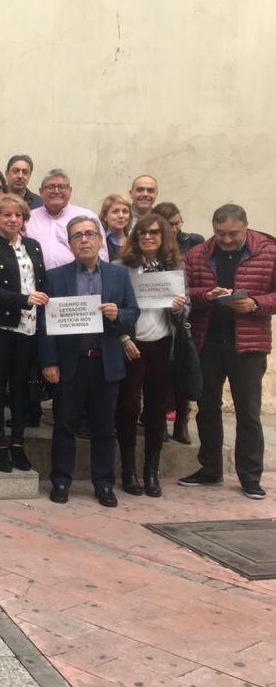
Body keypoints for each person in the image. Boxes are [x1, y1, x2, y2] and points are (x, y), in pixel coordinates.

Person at [39, 216, 139, 507]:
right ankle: (60, 480)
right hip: (71, 363)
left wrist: (117, 315)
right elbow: (45, 323)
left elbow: (134, 312)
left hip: (105, 362)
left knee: (105, 427)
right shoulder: (56, 276)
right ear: (69, 244)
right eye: (77, 236)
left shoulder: (118, 276)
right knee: (64, 424)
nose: (84, 240)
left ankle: (104, 483)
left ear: (99, 239)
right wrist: (48, 361)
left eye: (89, 234)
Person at [179, 204, 276, 499]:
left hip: (247, 344)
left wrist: (256, 304)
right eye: (220, 233)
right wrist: (206, 296)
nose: (227, 239)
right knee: (206, 409)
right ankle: (210, 469)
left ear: (246, 227)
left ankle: (249, 476)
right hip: (207, 342)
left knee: (248, 412)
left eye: (233, 234)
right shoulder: (198, 254)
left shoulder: (269, 252)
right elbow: (185, 292)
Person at [113, 214, 186, 498]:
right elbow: (114, 308)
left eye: (154, 233)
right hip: (131, 343)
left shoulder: (174, 267)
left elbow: (186, 308)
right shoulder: (121, 268)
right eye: (142, 233)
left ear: (163, 236)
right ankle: (129, 470)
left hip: (161, 343)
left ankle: (151, 471)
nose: (147, 237)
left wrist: (180, 307)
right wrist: (123, 337)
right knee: (128, 407)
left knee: (156, 409)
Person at [0, 194, 47, 472]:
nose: (13, 219)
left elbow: (42, 282)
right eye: (6, 215)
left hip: (28, 325)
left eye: (17, 215)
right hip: (0, 325)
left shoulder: (34, 246)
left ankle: (18, 443)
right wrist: (24, 299)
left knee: (21, 386)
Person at [153, 202, 206, 444]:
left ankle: (182, 421)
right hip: (154, 321)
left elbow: (187, 286)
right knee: (161, 375)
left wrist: (181, 307)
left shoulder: (192, 243)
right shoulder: (149, 251)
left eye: (177, 223)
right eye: (169, 224)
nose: (175, 229)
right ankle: (160, 420)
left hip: (180, 321)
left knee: (182, 370)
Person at [25, 169, 108, 269]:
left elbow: (102, 253)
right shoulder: (28, 218)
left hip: (77, 281)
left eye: (62, 187)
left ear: (70, 190)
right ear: (41, 191)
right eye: (51, 187)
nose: (56, 191)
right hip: (37, 281)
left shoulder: (88, 217)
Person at [100, 194, 132, 260]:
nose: (121, 216)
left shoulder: (134, 240)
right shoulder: (100, 241)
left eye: (125, 212)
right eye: (115, 212)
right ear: (105, 216)